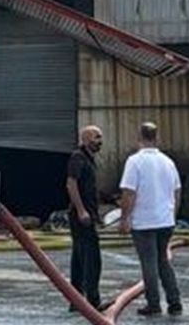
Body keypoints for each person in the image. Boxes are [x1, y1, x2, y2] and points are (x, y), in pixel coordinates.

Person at [119, 122, 183, 317]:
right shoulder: (168, 161)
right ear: (157, 138)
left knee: (148, 263)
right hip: (165, 220)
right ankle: (175, 302)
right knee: (163, 260)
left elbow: (129, 193)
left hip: (144, 221)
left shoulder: (134, 161)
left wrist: (124, 218)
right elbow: (177, 191)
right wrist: (172, 215)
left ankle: (153, 303)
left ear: (139, 137)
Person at [66, 125, 106, 311]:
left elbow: (89, 188)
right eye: (96, 137)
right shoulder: (78, 157)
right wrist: (81, 211)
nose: (99, 141)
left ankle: (77, 300)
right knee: (92, 259)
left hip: (87, 215)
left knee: (79, 258)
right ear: (85, 139)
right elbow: (71, 184)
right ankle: (92, 301)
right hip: (80, 216)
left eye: (100, 137)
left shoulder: (89, 159)